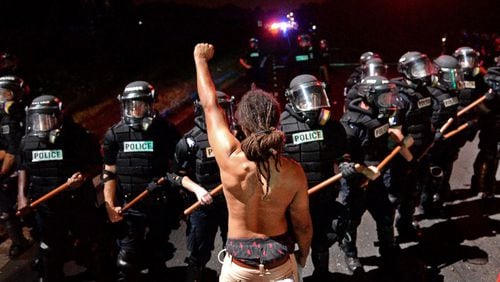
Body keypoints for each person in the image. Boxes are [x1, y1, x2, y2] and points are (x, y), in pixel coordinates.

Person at [194, 43, 312, 282]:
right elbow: (302, 225)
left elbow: (210, 106)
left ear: (241, 124)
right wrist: (303, 255)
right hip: (279, 264)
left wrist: (200, 60)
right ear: (277, 122)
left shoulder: (230, 160)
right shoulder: (293, 171)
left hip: (239, 267)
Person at [17, 95, 110, 281]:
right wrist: (22, 196)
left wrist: (82, 177)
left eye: (47, 118)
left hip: (78, 203)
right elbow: (23, 168)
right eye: (38, 119)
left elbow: (96, 164)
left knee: (89, 245)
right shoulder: (27, 141)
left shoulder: (78, 137)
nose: (42, 124)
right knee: (49, 251)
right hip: (46, 207)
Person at [102, 81, 184, 281]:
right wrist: (109, 205)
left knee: (157, 256)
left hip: (159, 203)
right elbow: (109, 172)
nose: (136, 109)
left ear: (151, 104)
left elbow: (178, 167)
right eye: (131, 105)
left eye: (141, 104)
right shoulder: (114, 134)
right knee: (126, 262)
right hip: (130, 206)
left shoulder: (165, 130)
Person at [279, 74, 347, 279]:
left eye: (316, 96)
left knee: (322, 237)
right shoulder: (279, 127)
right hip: (290, 200)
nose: (312, 103)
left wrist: (345, 164)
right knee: (287, 242)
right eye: (306, 98)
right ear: (291, 99)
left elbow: (342, 153)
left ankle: (322, 274)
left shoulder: (331, 127)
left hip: (322, 195)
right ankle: (291, 275)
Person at [338, 75, 402, 273]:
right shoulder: (350, 124)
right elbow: (340, 155)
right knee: (350, 221)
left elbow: (383, 140)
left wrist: (395, 141)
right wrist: (345, 166)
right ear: (368, 97)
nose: (388, 102)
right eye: (384, 98)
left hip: (377, 177)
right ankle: (350, 254)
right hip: (357, 182)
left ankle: (388, 249)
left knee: (385, 214)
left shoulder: (379, 116)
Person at [174, 91, 235, 282]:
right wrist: (198, 190)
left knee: (234, 251)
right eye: (218, 110)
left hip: (231, 204)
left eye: (225, 110)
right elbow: (177, 176)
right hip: (202, 205)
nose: (223, 115)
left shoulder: (235, 136)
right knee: (198, 253)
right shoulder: (189, 142)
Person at [389, 51, 435, 239]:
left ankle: (405, 224)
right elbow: (395, 132)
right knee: (394, 195)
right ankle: (387, 235)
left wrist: (433, 136)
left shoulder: (424, 91)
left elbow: (426, 119)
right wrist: (410, 158)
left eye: (424, 67)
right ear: (406, 70)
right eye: (418, 68)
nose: (423, 72)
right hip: (403, 155)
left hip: (421, 153)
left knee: (413, 192)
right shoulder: (398, 96)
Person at [0, 75, 31, 258]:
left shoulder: (23, 114)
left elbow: (13, 150)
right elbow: (4, 149)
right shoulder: (3, 118)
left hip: (25, 163)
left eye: (3, 94)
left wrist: (2, 171)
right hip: (13, 164)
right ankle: (18, 240)